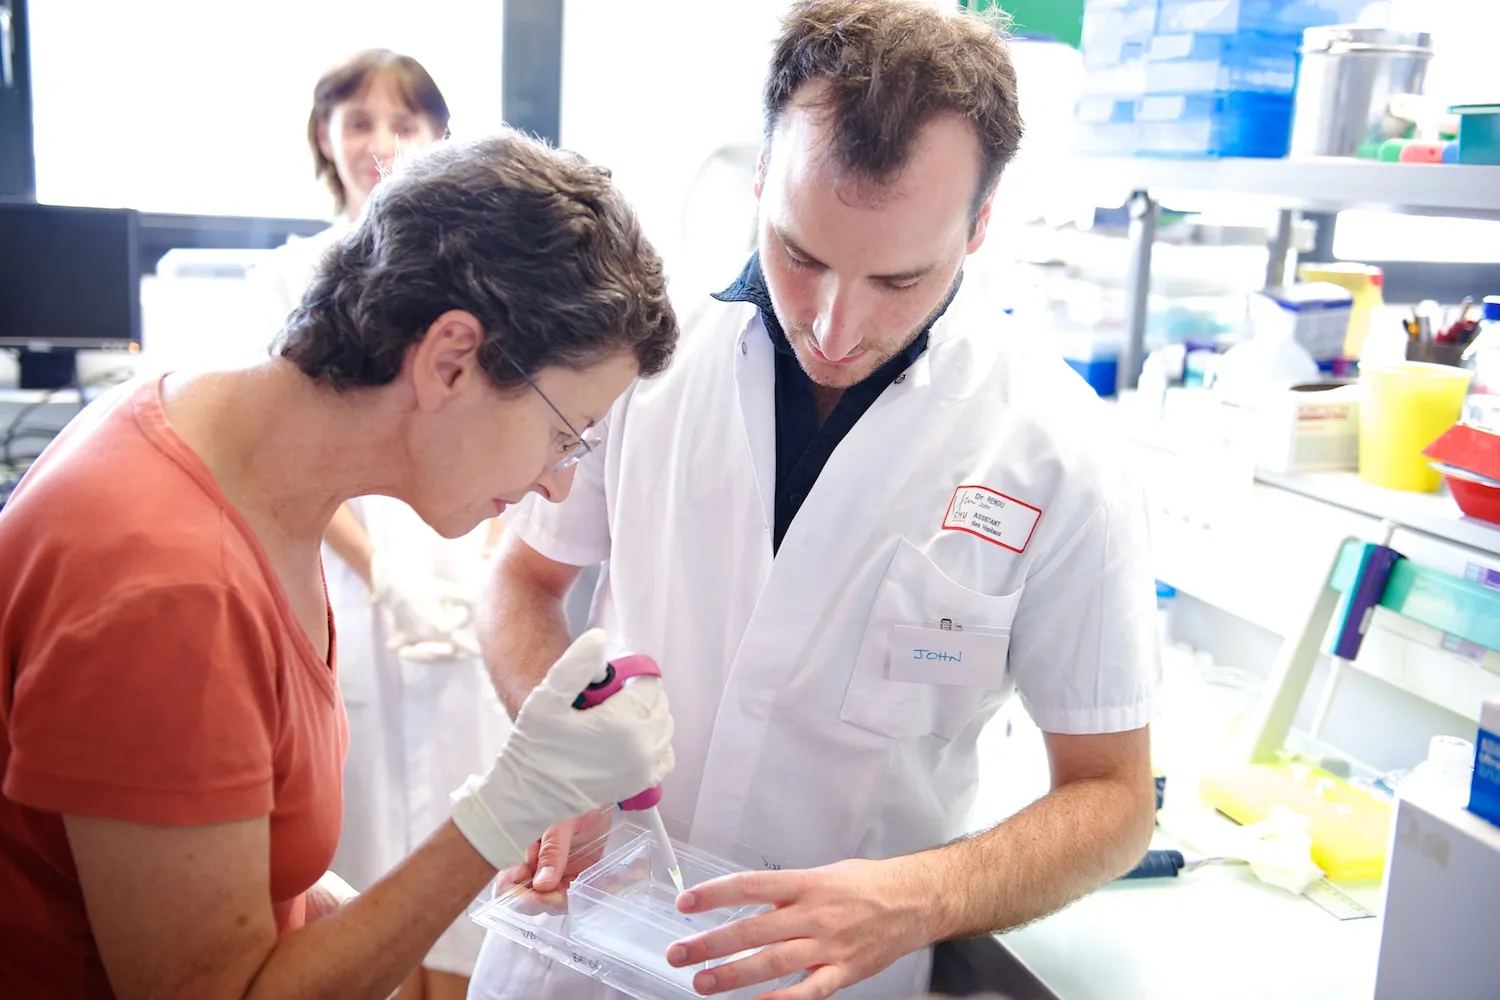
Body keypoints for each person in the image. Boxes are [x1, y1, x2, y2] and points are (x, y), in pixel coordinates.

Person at [471, 3, 1159, 999]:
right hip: (577, 945)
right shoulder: (641, 358)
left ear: (979, 225)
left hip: (820, 981)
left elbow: (1114, 798)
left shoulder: (1056, 451)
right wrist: (570, 748)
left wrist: (922, 897)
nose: (835, 327)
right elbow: (521, 581)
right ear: (762, 177)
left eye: (898, 278)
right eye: (801, 255)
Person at [0, 130, 679, 1000]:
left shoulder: (234, 453)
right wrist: (500, 814)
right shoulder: (172, 591)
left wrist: (366, 923)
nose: (557, 482)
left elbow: (236, 874)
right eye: (564, 434)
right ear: (450, 361)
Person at [249, 50, 507, 1000]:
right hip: (349, 597)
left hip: (464, 584)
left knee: (465, 856)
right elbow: (284, 454)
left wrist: (480, 573)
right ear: (325, 137)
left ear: (442, 136)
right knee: (354, 859)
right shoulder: (288, 277)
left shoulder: (485, 280)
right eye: (358, 121)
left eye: (404, 122)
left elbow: (512, 432)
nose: (380, 143)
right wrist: (384, 573)